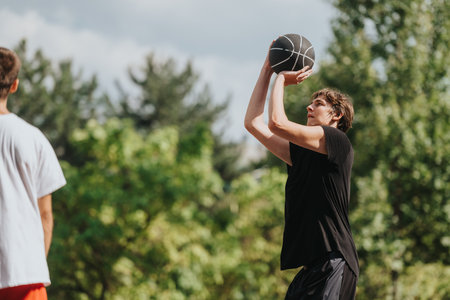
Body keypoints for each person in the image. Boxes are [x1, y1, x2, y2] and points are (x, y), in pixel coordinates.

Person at [244, 44, 359, 299]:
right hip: (311, 269)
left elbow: (277, 123)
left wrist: (282, 79)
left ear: (336, 115)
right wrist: (266, 70)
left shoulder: (337, 141)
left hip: (335, 261)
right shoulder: (301, 154)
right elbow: (252, 123)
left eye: (317, 104)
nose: (309, 107)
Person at [0, 47, 66, 299]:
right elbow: (45, 215)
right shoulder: (33, 138)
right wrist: (33, 263)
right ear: (14, 85)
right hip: (26, 273)